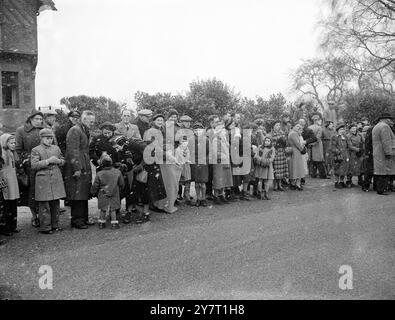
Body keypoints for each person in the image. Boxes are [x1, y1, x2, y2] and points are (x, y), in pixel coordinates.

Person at [30, 129, 66, 235]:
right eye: (47, 138)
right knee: (44, 205)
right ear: (41, 139)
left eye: (51, 138)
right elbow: (34, 165)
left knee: (55, 203)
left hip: (55, 178)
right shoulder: (36, 150)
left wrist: (59, 161)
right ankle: (45, 227)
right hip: (43, 180)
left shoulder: (56, 148)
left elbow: (63, 160)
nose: (50, 141)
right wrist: (48, 161)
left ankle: (55, 225)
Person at [64, 110, 95, 229]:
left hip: (84, 163)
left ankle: (83, 218)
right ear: (84, 119)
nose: (92, 124)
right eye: (91, 121)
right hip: (78, 165)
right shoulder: (75, 130)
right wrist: (77, 168)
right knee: (77, 194)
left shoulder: (84, 130)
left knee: (83, 192)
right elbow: (73, 150)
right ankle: (77, 220)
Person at [15, 109, 45, 227]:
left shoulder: (44, 130)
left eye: (40, 119)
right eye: (36, 119)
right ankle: (34, 215)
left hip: (43, 162)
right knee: (32, 191)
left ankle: (44, 215)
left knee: (43, 189)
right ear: (30, 119)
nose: (39, 121)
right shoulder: (21, 130)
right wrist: (27, 158)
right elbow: (17, 149)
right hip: (29, 166)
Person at [91, 154, 125, 230]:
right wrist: (120, 189)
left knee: (103, 209)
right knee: (113, 209)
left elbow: (95, 185)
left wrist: (93, 192)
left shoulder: (99, 174)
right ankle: (114, 224)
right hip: (114, 193)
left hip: (103, 193)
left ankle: (101, 223)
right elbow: (122, 183)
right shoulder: (117, 172)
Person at [143, 114, 168, 212]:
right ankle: (152, 204)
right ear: (153, 121)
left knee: (157, 182)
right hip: (152, 158)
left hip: (158, 158)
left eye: (161, 120)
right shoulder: (150, 131)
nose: (160, 122)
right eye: (158, 120)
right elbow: (150, 145)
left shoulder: (160, 131)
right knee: (154, 182)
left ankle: (156, 204)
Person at [208, 120, 233, 205]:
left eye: (223, 128)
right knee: (218, 179)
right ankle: (216, 196)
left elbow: (229, 149)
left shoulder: (225, 139)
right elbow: (215, 152)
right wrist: (223, 156)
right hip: (218, 162)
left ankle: (221, 195)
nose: (223, 130)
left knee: (224, 178)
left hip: (225, 161)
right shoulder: (215, 139)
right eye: (220, 128)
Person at [0, 134, 20, 235]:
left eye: (14, 143)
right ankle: (6, 227)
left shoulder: (12, 153)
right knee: (6, 205)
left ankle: (12, 225)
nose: (13, 145)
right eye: (11, 143)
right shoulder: (2, 154)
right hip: (6, 181)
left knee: (13, 203)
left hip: (12, 181)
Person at [372, 113, 395, 195]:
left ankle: (379, 188)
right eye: (390, 119)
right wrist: (389, 152)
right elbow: (386, 141)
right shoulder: (385, 127)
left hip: (378, 151)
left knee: (379, 171)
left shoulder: (377, 126)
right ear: (386, 119)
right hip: (383, 152)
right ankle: (381, 190)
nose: (391, 121)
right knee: (384, 172)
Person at [191, 122, 209, 207]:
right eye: (195, 130)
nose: (197, 131)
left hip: (203, 163)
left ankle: (203, 198)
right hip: (194, 163)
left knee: (203, 183)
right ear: (193, 131)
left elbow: (210, 152)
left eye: (199, 130)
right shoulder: (191, 140)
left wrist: (206, 160)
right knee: (197, 182)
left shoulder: (206, 140)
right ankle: (198, 198)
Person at [270, 121, 289, 191]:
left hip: (281, 152)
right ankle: (275, 185)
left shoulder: (282, 133)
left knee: (281, 169)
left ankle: (280, 184)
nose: (278, 126)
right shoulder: (271, 134)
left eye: (279, 125)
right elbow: (270, 143)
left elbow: (286, 142)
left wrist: (283, 141)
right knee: (275, 169)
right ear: (273, 126)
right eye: (277, 125)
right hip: (275, 152)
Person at [299, 118, 317, 184]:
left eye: (302, 122)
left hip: (304, 149)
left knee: (304, 164)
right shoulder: (295, 129)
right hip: (296, 149)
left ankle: (302, 179)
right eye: (299, 122)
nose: (300, 123)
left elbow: (314, 138)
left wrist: (306, 141)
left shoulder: (308, 130)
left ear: (305, 123)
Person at [331, 123, 350, 189]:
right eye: (341, 129)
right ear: (338, 130)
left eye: (343, 129)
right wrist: (338, 151)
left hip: (345, 155)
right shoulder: (335, 137)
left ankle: (341, 182)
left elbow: (348, 146)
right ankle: (336, 182)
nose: (342, 130)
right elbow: (332, 147)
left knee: (344, 169)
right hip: (338, 156)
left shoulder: (345, 137)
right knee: (337, 169)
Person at [308, 114, 327, 179]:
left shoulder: (309, 127)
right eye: (319, 120)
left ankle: (313, 174)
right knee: (319, 160)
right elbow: (318, 137)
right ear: (316, 120)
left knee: (312, 160)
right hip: (317, 145)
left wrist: (310, 143)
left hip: (310, 145)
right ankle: (322, 175)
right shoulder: (319, 128)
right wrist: (314, 143)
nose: (320, 121)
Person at [288, 123, 306, 190]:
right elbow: (297, 144)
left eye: (299, 126)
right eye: (297, 126)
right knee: (297, 167)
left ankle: (293, 183)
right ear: (293, 127)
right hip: (296, 152)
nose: (298, 127)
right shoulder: (293, 134)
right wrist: (302, 148)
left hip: (294, 151)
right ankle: (297, 184)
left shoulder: (292, 133)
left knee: (294, 167)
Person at [346, 124, 364, 188]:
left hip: (360, 153)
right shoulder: (348, 136)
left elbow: (363, 142)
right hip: (352, 153)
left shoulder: (360, 135)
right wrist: (358, 149)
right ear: (350, 129)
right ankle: (349, 181)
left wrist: (362, 149)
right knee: (351, 167)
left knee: (360, 166)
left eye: (355, 128)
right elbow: (350, 146)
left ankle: (360, 180)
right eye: (352, 128)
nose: (354, 130)